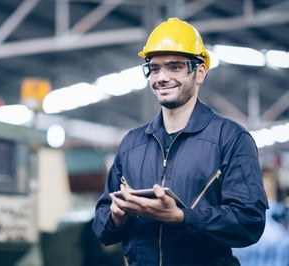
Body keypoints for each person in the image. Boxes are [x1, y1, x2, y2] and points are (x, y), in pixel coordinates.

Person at [92, 17, 268, 266]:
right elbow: (101, 226)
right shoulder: (131, 145)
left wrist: (182, 217)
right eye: (154, 69)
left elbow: (249, 220)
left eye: (174, 67)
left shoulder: (230, 138)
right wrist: (116, 216)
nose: (161, 77)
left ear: (200, 72)